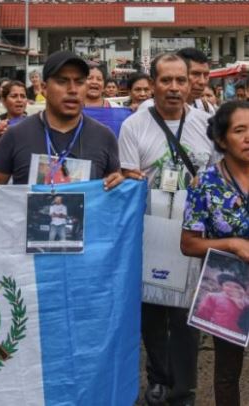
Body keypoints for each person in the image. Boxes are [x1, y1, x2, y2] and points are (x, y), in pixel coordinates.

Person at [119, 53, 215, 406]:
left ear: (190, 83)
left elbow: (220, 178)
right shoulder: (134, 126)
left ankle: (184, 388)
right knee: (154, 312)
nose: (174, 88)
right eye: (166, 81)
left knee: (187, 316)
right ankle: (158, 378)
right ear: (154, 85)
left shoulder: (208, 125)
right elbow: (127, 181)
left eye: (181, 80)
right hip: (150, 234)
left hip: (193, 237)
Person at [0, 50, 123, 190]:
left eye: (79, 82)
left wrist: (121, 183)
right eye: (62, 81)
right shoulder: (15, 136)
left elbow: (113, 191)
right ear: (44, 88)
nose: (72, 89)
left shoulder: (104, 137)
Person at [181, 100, 249, 406]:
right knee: (227, 372)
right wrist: (232, 244)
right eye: (240, 130)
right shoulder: (205, 183)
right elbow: (189, 243)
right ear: (221, 139)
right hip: (231, 287)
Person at [177, 48, 215, 115]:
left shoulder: (206, 108)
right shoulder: (155, 109)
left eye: (206, 75)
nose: (202, 82)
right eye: (195, 74)